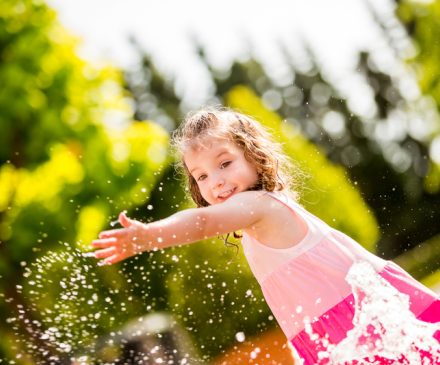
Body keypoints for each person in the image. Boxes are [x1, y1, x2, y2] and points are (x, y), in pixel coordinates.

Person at [92, 107, 440, 364]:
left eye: (225, 163)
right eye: (201, 176)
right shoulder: (256, 215)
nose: (215, 181)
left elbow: (201, 223)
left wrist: (151, 235)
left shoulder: (258, 205)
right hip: (330, 327)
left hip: (358, 310)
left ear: (255, 157)